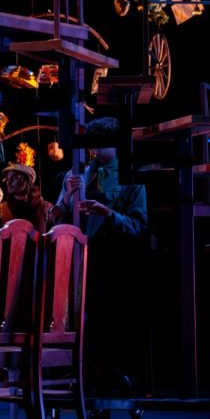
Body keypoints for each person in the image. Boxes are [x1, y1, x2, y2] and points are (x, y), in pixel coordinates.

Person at [51, 116, 148, 394]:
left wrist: (108, 213)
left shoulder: (130, 176)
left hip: (115, 259)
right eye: (92, 146)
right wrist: (67, 199)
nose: (94, 152)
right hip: (82, 260)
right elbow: (55, 217)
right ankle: (86, 379)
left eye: (100, 145)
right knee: (84, 323)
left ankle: (113, 379)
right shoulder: (78, 174)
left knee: (110, 325)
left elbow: (139, 226)